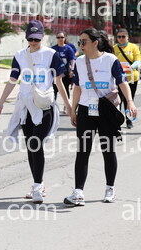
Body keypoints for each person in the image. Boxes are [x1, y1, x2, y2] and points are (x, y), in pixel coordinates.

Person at [0, 20, 70, 204]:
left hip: (44, 106)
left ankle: (37, 187)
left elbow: (59, 82)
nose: (33, 42)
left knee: (36, 143)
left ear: (42, 36)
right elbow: (13, 80)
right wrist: (1, 102)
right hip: (26, 107)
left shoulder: (51, 55)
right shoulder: (20, 55)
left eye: (36, 39)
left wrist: (68, 106)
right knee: (31, 146)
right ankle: (39, 184)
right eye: (30, 39)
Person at [64, 28, 138, 206]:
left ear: (95, 43)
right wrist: (73, 109)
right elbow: (78, 87)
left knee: (108, 150)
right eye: (79, 42)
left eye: (84, 42)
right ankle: (78, 192)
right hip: (86, 110)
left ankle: (109, 188)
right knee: (83, 151)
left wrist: (130, 102)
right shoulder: (80, 61)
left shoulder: (110, 59)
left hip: (106, 111)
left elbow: (122, 82)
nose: (80, 45)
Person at [113, 28, 139, 129]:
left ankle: (129, 120)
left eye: (123, 36)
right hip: (118, 79)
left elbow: (138, 60)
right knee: (118, 99)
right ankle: (118, 120)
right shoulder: (114, 48)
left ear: (127, 37)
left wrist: (131, 67)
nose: (121, 38)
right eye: (119, 37)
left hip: (131, 78)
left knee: (129, 100)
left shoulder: (134, 47)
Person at [52, 31, 76, 112]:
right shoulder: (53, 49)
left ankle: (67, 106)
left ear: (65, 38)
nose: (60, 39)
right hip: (55, 74)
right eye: (58, 37)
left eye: (62, 37)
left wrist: (72, 70)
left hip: (65, 73)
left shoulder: (68, 48)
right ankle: (53, 107)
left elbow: (72, 60)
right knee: (54, 90)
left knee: (65, 89)